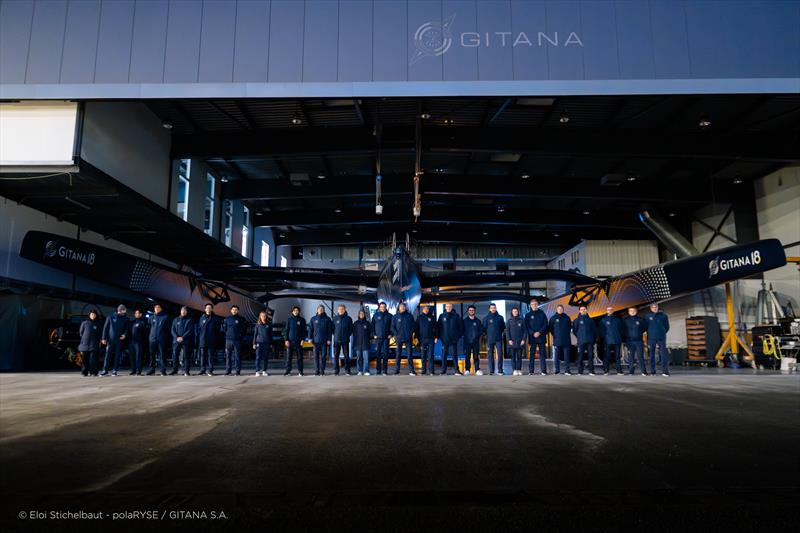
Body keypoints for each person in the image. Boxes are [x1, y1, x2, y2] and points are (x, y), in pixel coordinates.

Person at [100, 304, 130, 376]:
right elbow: (105, 328)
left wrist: (125, 335)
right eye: (123, 311)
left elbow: (127, 329)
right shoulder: (110, 317)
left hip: (119, 340)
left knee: (117, 356)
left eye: (125, 311)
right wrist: (104, 338)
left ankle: (114, 370)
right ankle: (105, 370)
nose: (124, 313)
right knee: (108, 355)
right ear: (119, 310)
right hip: (110, 340)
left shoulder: (126, 319)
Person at [437, 303, 463, 375]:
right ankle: (443, 371)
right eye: (447, 306)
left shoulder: (456, 316)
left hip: (454, 339)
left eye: (450, 306)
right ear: (445, 307)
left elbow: (460, 327)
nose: (448, 307)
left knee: (454, 355)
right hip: (445, 339)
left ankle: (456, 371)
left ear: (452, 307)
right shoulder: (441, 316)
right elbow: (439, 327)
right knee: (444, 355)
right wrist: (440, 337)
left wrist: (458, 336)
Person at [645, 303, 670, 376]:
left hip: (661, 338)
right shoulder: (647, 316)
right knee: (652, 355)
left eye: (656, 307)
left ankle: (665, 371)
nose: (654, 308)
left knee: (663, 354)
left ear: (658, 307)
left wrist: (662, 332)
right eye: (653, 307)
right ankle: (653, 371)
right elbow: (645, 327)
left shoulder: (664, 316)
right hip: (651, 338)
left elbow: (667, 327)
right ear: (650, 308)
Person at [525, 299, 548, 375]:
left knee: (542, 355)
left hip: (541, 337)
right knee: (532, 355)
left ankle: (543, 371)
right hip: (532, 338)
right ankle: (531, 371)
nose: (534, 305)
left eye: (535, 304)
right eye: (532, 304)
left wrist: (539, 332)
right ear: (530, 306)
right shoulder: (528, 315)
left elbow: (545, 324)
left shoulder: (542, 313)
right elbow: (527, 326)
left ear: (537, 304)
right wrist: (532, 333)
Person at [391, 302, 416, 375]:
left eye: (403, 307)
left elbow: (413, 326)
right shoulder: (395, 316)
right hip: (399, 338)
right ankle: (397, 370)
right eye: (401, 307)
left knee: (409, 355)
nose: (402, 308)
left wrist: (410, 334)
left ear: (405, 308)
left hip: (408, 338)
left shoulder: (410, 316)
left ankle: (411, 370)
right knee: (398, 355)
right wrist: (396, 335)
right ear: (399, 308)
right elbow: (392, 327)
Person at [197, 303, 221, 376]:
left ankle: (210, 370)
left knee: (210, 356)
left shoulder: (215, 318)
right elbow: (199, 328)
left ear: (212, 309)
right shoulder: (202, 317)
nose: (208, 309)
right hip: (203, 340)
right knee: (202, 356)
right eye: (207, 308)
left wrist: (214, 337)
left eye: (210, 307)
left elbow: (218, 330)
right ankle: (202, 370)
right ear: (205, 309)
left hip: (211, 340)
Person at [308, 305, 333, 376]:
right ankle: (317, 370)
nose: (321, 310)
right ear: (317, 310)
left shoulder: (327, 319)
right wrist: (310, 338)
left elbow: (329, 330)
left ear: (324, 310)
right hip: (315, 341)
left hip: (324, 341)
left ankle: (322, 370)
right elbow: (310, 329)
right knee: (316, 356)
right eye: (319, 309)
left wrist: (329, 339)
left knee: (324, 356)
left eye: (322, 309)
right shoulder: (313, 319)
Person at [599, 306, 624, 375]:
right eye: (608, 310)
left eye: (611, 310)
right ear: (606, 311)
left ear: (613, 311)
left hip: (617, 340)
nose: (610, 311)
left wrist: (619, 337)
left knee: (617, 356)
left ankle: (619, 371)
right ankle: (606, 370)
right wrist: (605, 338)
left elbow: (621, 329)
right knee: (607, 356)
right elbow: (602, 331)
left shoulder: (618, 320)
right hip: (608, 341)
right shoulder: (603, 320)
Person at [170, 306, 195, 376]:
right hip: (176, 340)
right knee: (175, 356)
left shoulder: (189, 320)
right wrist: (176, 337)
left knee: (186, 356)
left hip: (186, 341)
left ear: (186, 312)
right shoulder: (175, 319)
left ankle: (186, 371)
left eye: (185, 310)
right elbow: (172, 329)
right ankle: (175, 370)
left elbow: (190, 330)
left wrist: (183, 337)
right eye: (182, 310)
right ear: (180, 311)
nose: (183, 311)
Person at [572, 305, 596, 375]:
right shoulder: (577, 320)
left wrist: (593, 339)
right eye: (581, 309)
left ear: (586, 310)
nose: (583, 310)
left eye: (584, 309)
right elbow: (574, 330)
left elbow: (594, 331)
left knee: (591, 356)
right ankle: (580, 371)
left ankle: (591, 371)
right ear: (579, 311)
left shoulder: (591, 320)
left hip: (590, 341)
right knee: (580, 356)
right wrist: (579, 337)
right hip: (581, 341)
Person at [222, 305, 246, 376]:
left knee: (237, 356)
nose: (234, 311)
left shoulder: (241, 319)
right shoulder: (227, 319)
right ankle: (228, 370)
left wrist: (240, 336)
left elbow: (244, 329)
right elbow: (224, 329)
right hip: (228, 340)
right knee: (228, 356)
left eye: (236, 309)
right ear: (231, 310)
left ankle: (237, 371)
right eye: (233, 309)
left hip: (237, 340)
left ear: (238, 311)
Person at [147, 303, 170, 376]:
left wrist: (166, 339)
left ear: (161, 308)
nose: (156, 308)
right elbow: (149, 328)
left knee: (162, 355)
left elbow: (168, 329)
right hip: (152, 339)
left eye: (158, 307)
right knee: (152, 355)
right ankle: (152, 369)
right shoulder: (151, 318)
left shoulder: (165, 317)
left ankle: (163, 370)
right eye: (155, 307)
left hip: (161, 339)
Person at [483, 303, 506, 375]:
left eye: (494, 308)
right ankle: (491, 371)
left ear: (496, 308)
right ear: (489, 309)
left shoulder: (500, 317)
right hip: (490, 339)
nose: (493, 309)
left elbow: (502, 328)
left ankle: (500, 370)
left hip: (498, 339)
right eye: (491, 308)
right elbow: (484, 329)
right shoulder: (486, 318)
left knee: (500, 354)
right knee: (490, 355)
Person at [284, 306, 307, 376]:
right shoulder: (289, 320)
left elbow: (304, 331)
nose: (296, 311)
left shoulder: (302, 320)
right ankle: (288, 371)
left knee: (300, 357)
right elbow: (286, 330)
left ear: (299, 311)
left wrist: (303, 339)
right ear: (292, 312)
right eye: (294, 310)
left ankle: (300, 371)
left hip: (299, 342)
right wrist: (286, 340)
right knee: (288, 358)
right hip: (290, 341)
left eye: (297, 310)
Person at [548, 305, 572, 375]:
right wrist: (555, 335)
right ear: (556, 309)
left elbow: (569, 327)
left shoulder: (567, 318)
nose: (560, 310)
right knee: (557, 356)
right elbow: (551, 328)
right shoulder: (553, 318)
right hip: (557, 340)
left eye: (561, 308)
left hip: (566, 340)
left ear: (563, 309)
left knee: (566, 356)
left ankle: (567, 370)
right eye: (558, 308)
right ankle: (557, 370)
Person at [623, 307, 647, 376]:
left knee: (641, 356)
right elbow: (623, 330)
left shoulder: (641, 320)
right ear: (628, 312)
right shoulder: (625, 320)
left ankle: (643, 371)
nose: (632, 312)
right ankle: (631, 371)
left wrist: (638, 334)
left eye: (634, 310)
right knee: (631, 357)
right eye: (631, 311)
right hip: (630, 341)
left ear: (636, 311)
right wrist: (626, 340)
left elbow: (644, 328)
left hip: (639, 341)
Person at [78, 310, 101, 376]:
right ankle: (84, 372)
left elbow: (99, 333)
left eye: (94, 314)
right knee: (84, 359)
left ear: (96, 315)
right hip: (85, 344)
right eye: (91, 314)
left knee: (93, 360)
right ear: (89, 315)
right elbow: (81, 333)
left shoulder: (98, 323)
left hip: (94, 344)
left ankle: (93, 372)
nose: (93, 316)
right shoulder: (84, 323)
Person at [332, 305, 354, 375]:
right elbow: (332, 329)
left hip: (345, 340)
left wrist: (347, 335)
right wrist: (336, 335)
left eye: (342, 309)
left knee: (346, 355)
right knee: (336, 355)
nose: (341, 310)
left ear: (345, 310)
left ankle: (347, 370)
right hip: (336, 340)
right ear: (337, 310)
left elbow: (351, 329)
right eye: (339, 309)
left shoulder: (348, 319)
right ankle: (336, 370)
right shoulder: (335, 318)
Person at [372, 302, 392, 376]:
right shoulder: (376, 315)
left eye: (384, 307)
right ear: (379, 307)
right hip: (378, 338)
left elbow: (392, 326)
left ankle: (385, 370)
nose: (383, 308)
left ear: (385, 307)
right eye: (381, 307)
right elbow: (372, 325)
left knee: (385, 354)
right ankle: (378, 370)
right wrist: (374, 334)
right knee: (378, 354)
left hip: (386, 337)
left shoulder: (389, 316)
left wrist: (391, 334)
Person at [462, 305, 484, 375]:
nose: (471, 311)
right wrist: (466, 337)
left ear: (474, 311)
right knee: (467, 356)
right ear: (468, 311)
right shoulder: (464, 321)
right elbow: (462, 331)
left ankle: (477, 369)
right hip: (467, 341)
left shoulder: (478, 321)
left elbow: (481, 331)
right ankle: (467, 370)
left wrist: (476, 337)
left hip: (475, 342)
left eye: (472, 310)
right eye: (470, 310)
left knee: (476, 356)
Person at [416, 305, 437, 375]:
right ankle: (423, 370)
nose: (426, 310)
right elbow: (416, 329)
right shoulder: (419, 317)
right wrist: (417, 338)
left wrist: (436, 337)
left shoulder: (432, 317)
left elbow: (436, 327)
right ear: (423, 310)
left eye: (427, 309)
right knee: (423, 355)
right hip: (422, 339)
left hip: (431, 339)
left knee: (430, 355)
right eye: (425, 309)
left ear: (428, 310)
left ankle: (431, 371)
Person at [507, 307, 527, 375]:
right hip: (512, 342)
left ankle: (519, 369)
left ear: (518, 312)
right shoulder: (509, 321)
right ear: (512, 313)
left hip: (520, 342)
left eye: (516, 311)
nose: (515, 312)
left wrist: (523, 340)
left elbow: (525, 331)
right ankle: (514, 370)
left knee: (519, 357)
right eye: (513, 311)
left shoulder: (522, 320)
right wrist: (509, 339)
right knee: (513, 357)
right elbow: (507, 331)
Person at [353, 309, 373, 375]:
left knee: (366, 358)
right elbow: (353, 333)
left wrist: (370, 339)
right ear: (358, 315)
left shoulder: (367, 323)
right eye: (360, 313)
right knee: (359, 358)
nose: (361, 314)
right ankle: (360, 371)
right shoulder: (355, 323)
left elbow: (371, 333)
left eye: (362, 313)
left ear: (364, 315)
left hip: (366, 343)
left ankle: (366, 371)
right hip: (357, 343)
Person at [253, 310, 272, 376]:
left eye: (264, 316)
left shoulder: (269, 324)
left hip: (266, 343)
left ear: (266, 316)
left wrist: (271, 344)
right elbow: (255, 335)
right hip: (259, 343)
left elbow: (270, 335)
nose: (263, 317)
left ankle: (264, 370)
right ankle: (257, 371)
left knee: (265, 357)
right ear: (260, 317)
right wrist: (254, 343)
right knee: (258, 357)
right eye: (262, 316)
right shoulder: (257, 325)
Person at [129, 309, 148, 375]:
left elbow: (145, 333)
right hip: (131, 342)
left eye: (137, 313)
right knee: (132, 357)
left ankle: (138, 370)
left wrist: (144, 342)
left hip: (139, 343)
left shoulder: (143, 322)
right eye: (135, 313)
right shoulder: (132, 322)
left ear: (140, 314)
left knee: (138, 357)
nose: (136, 314)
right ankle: (133, 370)